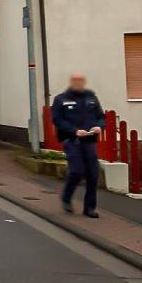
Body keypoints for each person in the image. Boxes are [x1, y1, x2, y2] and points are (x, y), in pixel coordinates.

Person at [51, 71, 106, 218]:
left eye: (81, 80)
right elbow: (57, 120)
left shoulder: (91, 98)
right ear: (71, 82)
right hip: (72, 141)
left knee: (93, 174)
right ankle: (66, 197)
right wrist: (74, 131)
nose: (78, 83)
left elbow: (101, 117)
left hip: (89, 141)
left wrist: (99, 126)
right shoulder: (61, 99)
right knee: (76, 171)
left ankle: (89, 208)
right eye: (75, 80)